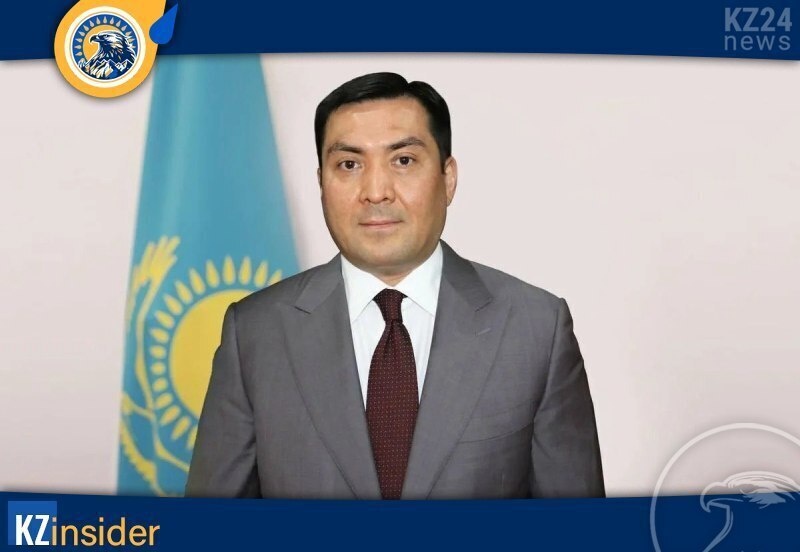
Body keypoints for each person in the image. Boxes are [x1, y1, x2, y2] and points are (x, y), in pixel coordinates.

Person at [185, 72, 604, 499]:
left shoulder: (536, 329)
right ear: (322, 184)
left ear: (448, 179)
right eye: (349, 165)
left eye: (403, 160)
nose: (376, 191)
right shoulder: (255, 334)